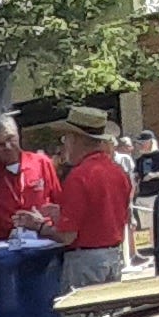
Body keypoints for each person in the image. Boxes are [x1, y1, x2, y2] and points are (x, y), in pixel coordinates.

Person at [57, 108, 134, 287]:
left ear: (74, 139)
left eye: (65, 138)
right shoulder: (118, 172)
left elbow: (68, 236)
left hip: (85, 262)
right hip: (113, 257)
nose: (64, 144)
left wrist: (39, 226)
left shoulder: (79, 176)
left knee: (79, 306)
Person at [0, 115, 67, 238]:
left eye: (11, 139)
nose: (8, 147)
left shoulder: (41, 163)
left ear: (18, 135)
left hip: (46, 238)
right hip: (7, 244)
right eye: (0, 145)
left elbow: (60, 204)